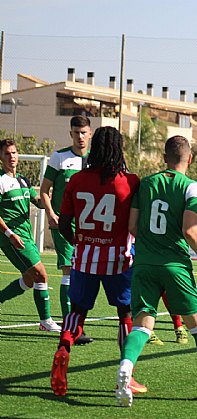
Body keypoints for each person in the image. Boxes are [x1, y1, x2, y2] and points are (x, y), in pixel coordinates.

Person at [115, 135, 197, 407]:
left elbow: (132, 226)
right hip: (175, 266)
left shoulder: (146, 183)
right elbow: (190, 229)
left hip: (144, 262)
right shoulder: (191, 187)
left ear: (164, 157)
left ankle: (126, 365)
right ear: (189, 158)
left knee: (143, 324)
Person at [50, 126, 146, 397]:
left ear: (94, 148)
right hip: (119, 259)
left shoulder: (77, 180)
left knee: (77, 311)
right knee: (125, 314)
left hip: (84, 257)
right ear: (119, 149)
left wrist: (79, 241)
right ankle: (127, 374)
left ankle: (63, 348)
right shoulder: (131, 181)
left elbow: (65, 223)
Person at [41, 115, 93, 345]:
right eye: (76, 132)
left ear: (90, 133)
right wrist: (51, 214)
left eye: (83, 132)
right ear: (70, 133)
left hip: (89, 228)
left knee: (82, 275)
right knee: (69, 271)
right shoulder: (59, 157)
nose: (80, 137)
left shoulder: (95, 161)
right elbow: (44, 190)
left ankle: (75, 325)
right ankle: (70, 328)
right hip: (65, 224)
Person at [0, 139, 60, 332]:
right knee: (40, 274)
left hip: (26, 233)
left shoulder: (22, 180)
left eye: (14, 153)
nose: (12, 157)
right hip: (11, 237)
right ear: (1, 157)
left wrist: (48, 201)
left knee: (29, 279)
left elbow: (36, 201)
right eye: (7, 154)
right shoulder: (0, 180)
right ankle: (45, 320)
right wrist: (9, 234)